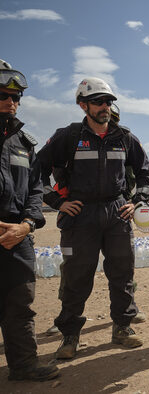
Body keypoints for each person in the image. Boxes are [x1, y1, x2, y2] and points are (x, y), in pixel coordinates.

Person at [37, 77, 149, 359]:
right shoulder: (68, 137)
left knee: (122, 273)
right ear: (82, 104)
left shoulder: (124, 137)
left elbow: (146, 172)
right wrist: (57, 202)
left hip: (117, 214)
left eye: (109, 102)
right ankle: (70, 335)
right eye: (99, 102)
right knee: (77, 276)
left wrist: (137, 201)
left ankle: (122, 327)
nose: (105, 107)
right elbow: (35, 171)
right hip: (80, 216)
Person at [0, 59, 59, 381]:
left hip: (18, 235)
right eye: (4, 94)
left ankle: (22, 366)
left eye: (17, 96)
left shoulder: (23, 144)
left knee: (20, 304)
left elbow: (36, 189)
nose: (12, 101)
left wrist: (27, 224)